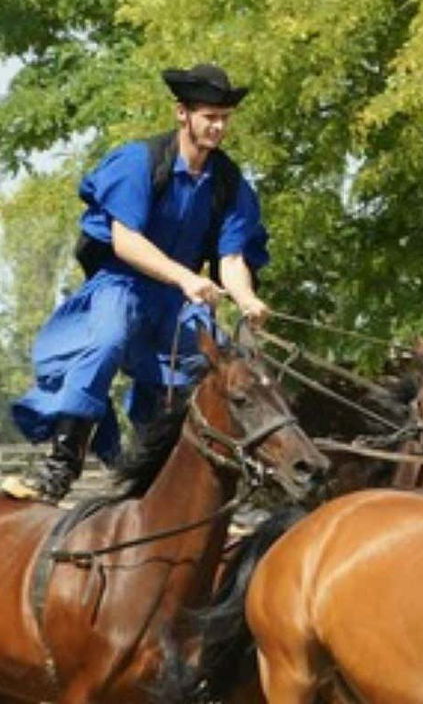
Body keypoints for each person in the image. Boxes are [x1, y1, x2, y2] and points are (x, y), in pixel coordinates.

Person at [2, 63, 271, 503]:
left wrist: (246, 298)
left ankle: (168, 479)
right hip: (121, 285)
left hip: (178, 299)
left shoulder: (229, 183)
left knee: (221, 363)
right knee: (107, 340)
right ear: (181, 113)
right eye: (209, 116)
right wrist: (185, 277)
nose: (218, 126)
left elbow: (232, 256)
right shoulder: (137, 162)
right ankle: (60, 466)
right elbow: (126, 242)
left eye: (224, 117)